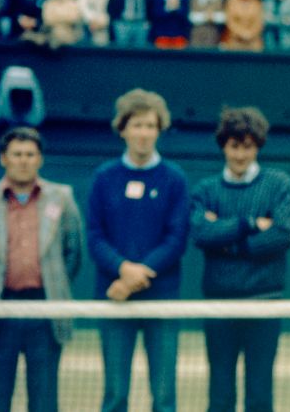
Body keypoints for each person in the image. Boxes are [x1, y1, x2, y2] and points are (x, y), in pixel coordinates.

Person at [189, 107, 290, 412]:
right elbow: (201, 233)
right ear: (224, 145)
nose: (240, 154)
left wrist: (228, 242)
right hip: (219, 306)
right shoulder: (206, 190)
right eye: (235, 146)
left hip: (265, 303)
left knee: (259, 395)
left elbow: (283, 234)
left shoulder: (279, 185)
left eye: (248, 146)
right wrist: (249, 224)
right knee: (220, 394)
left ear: (257, 146)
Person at [0, 127, 83, 412]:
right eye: (17, 154)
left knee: (43, 401)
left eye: (30, 154)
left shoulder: (62, 197)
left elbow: (73, 253)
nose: (23, 160)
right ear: (4, 158)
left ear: (40, 159)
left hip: (45, 313)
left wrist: (53, 286)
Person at [87, 88, 190, 412]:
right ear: (123, 129)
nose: (143, 133)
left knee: (163, 396)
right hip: (114, 298)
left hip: (161, 300)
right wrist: (122, 270)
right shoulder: (104, 177)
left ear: (159, 129)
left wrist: (134, 277)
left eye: (149, 125)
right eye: (137, 125)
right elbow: (94, 236)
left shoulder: (174, 178)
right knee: (115, 394)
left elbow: (176, 240)